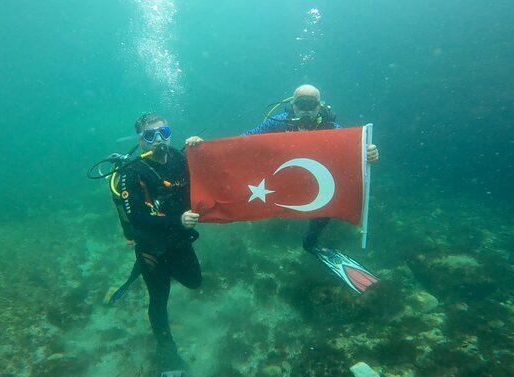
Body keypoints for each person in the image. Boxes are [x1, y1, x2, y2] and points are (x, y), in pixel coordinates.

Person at [187, 84, 379, 254]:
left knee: (327, 200)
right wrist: (206, 148)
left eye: (311, 105)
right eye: (301, 105)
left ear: (319, 106)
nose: (306, 111)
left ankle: (311, 240)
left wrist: (367, 153)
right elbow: (243, 141)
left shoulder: (331, 125)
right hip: (286, 176)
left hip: (314, 177)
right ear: (293, 105)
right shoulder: (278, 121)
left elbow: (351, 149)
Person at [109, 113, 202, 375]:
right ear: (141, 141)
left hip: (180, 241)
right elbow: (137, 217)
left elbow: (205, 174)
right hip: (152, 248)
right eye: (150, 136)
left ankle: (157, 270)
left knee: (195, 282)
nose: (159, 140)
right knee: (159, 300)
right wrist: (178, 219)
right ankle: (167, 351)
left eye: (164, 132)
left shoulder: (178, 157)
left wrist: (200, 149)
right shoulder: (131, 172)